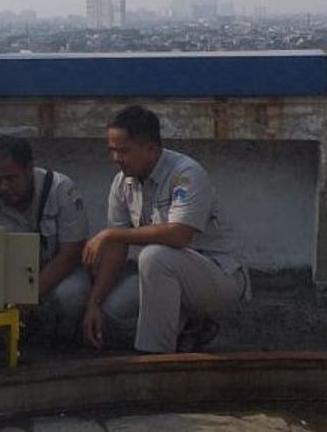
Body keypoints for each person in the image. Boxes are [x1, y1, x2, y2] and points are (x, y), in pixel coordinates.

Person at [81, 105, 246, 353]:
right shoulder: (122, 182)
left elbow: (179, 235)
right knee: (108, 316)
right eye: (112, 151)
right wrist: (94, 302)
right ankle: (190, 327)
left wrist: (110, 234)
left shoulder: (186, 173)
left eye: (123, 151)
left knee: (155, 256)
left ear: (150, 148)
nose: (116, 158)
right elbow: (116, 250)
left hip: (218, 275)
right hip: (166, 275)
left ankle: (153, 357)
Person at [0, 137, 90, 339]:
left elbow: (71, 253)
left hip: (60, 272)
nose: (3, 187)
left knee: (72, 295)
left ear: (28, 169)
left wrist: (30, 295)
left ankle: (67, 342)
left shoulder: (61, 189)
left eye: (11, 178)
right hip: (12, 279)